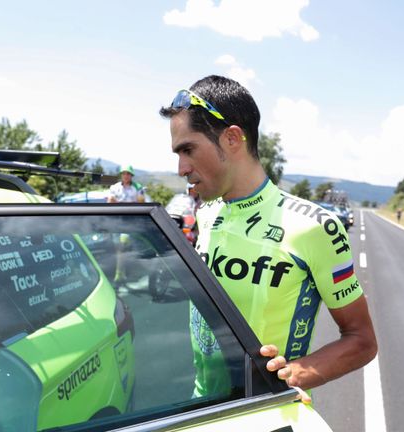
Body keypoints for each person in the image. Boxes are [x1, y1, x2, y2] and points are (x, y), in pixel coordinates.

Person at [160, 76, 377, 402]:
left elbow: (361, 339)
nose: (180, 168)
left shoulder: (314, 227)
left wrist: (296, 373)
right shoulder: (206, 213)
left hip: (266, 414)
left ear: (232, 138)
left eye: (188, 149)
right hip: (202, 412)